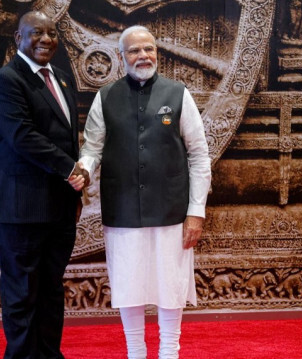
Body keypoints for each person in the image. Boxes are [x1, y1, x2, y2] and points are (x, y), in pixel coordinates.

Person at [69, 25, 211, 359]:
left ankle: (169, 352)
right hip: (122, 209)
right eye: (134, 50)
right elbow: (92, 149)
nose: (143, 56)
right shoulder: (106, 97)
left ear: (156, 53)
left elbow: (199, 156)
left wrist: (196, 212)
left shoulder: (178, 94)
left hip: (172, 209)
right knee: (128, 283)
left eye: (149, 49)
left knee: (170, 284)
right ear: (121, 56)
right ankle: (135, 351)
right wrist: (84, 170)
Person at [0, 10, 89, 359]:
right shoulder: (6, 80)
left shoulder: (60, 77)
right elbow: (22, 136)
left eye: (52, 33)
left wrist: (75, 184)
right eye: (36, 33)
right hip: (20, 206)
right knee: (22, 292)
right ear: (18, 39)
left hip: (58, 207)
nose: (46, 39)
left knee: (50, 290)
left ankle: (49, 354)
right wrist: (72, 169)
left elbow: (67, 136)